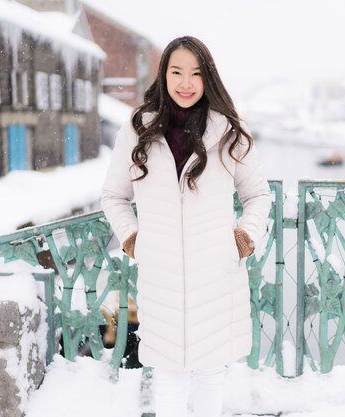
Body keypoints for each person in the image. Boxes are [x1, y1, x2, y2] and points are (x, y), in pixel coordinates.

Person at [100, 36, 271, 417]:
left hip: (216, 274)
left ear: (207, 78)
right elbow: (113, 196)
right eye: (176, 72)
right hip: (160, 276)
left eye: (196, 73)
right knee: (169, 378)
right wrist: (132, 238)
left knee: (210, 373)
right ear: (163, 75)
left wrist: (244, 237)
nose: (186, 83)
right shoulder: (137, 128)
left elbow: (258, 194)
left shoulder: (227, 130)